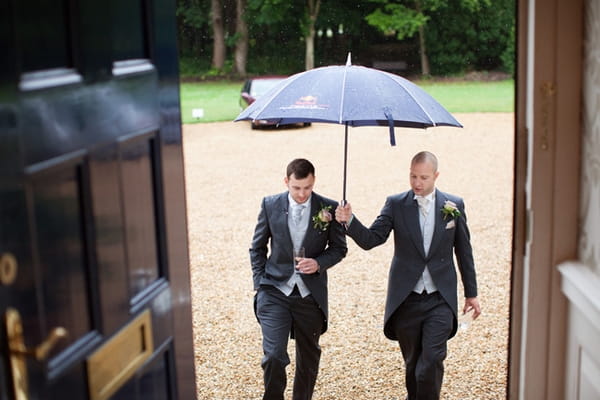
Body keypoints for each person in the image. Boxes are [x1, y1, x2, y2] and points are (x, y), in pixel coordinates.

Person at [335, 150, 481, 400]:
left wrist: (472, 293)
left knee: (430, 363)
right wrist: (349, 221)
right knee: (413, 366)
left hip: (440, 300)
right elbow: (372, 239)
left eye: (423, 177)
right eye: (413, 176)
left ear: (436, 176)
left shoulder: (453, 205)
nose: (417, 183)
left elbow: (464, 251)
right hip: (406, 301)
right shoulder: (396, 204)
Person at [250, 158, 347, 400]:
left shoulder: (329, 208)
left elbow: (339, 248)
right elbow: (257, 248)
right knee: (273, 356)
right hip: (274, 291)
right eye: (296, 188)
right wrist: (259, 284)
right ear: (286, 182)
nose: (302, 194)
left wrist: (319, 263)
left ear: (313, 182)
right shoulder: (270, 204)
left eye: (307, 187)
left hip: (310, 295)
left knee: (308, 358)